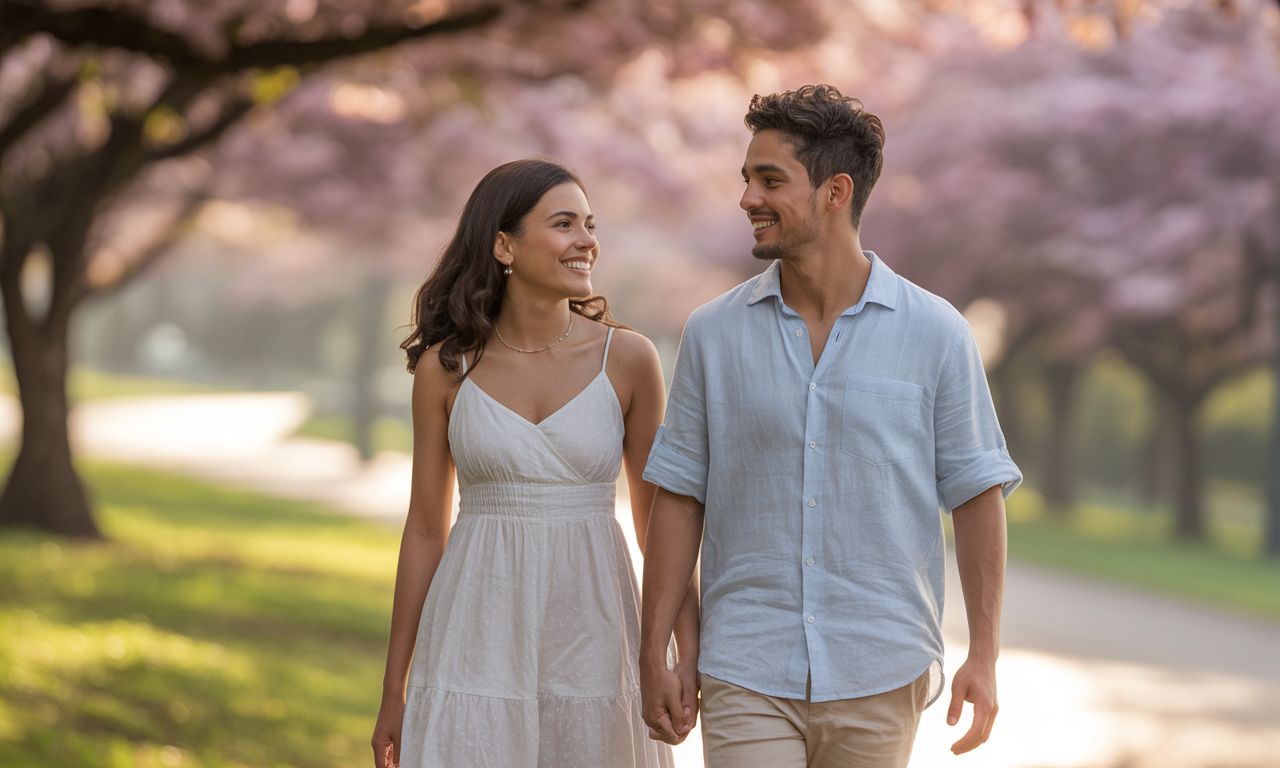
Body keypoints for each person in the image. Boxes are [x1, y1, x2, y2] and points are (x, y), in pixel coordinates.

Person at [639, 85, 1023, 768]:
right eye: (747, 179)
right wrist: (654, 649)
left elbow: (976, 492)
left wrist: (985, 656)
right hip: (746, 663)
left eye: (770, 180)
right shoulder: (713, 333)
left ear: (835, 191)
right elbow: (680, 493)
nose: (748, 198)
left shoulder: (936, 333)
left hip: (881, 663)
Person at [372, 159, 688, 768]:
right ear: (503, 245)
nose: (587, 241)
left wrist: (674, 652)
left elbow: (660, 529)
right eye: (564, 223)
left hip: (593, 625)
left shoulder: (628, 359)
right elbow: (424, 530)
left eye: (590, 224)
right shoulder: (446, 367)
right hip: (476, 622)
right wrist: (394, 689)